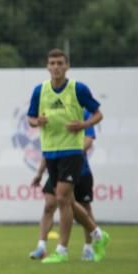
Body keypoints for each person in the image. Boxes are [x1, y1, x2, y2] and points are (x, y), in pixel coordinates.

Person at [26, 49, 109, 264]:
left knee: (62, 199)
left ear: (67, 66)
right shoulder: (40, 90)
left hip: (72, 151)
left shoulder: (77, 89)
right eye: (52, 63)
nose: (56, 67)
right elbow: (31, 118)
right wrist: (38, 122)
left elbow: (98, 114)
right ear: (47, 66)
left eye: (60, 63)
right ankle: (98, 234)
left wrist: (83, 124)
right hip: (50, 151)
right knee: (68, 201)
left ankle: (61, 250)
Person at [29, 109, 97, 261]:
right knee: (49, 205)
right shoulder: (54, 113)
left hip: (79, 170)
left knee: (84, 207)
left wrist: (71, 152)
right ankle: (41, 247)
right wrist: (40, 173)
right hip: (58, 169)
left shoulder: (83, 113)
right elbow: (50, 146)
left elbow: (89, 139)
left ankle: (89, 247)